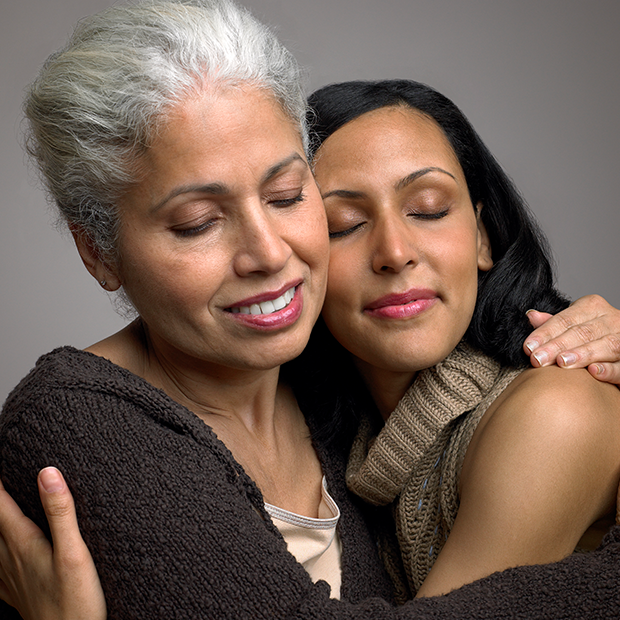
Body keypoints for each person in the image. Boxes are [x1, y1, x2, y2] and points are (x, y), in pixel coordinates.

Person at [2, 1, 620, 618]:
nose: (270, 254)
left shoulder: (331, 395)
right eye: (198, 223)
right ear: (99, 250)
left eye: (287, 196)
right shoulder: (78, 416)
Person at [303, 78, 620, 598]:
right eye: (343, 224)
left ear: (482, 237)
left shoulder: (557, 407)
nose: (394, 251)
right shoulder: (352, 445)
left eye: (427, 209)